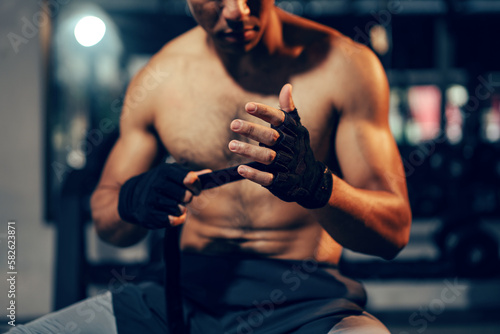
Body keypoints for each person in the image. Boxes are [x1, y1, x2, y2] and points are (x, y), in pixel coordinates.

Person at [9, 0, 411, 333]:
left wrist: (319, 186)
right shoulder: (160, 78)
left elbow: (392, 231)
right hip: (177, 297)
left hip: (308, 302)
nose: (237, 11)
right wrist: (134, 200)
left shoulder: (347, 66)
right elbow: (107, 220)